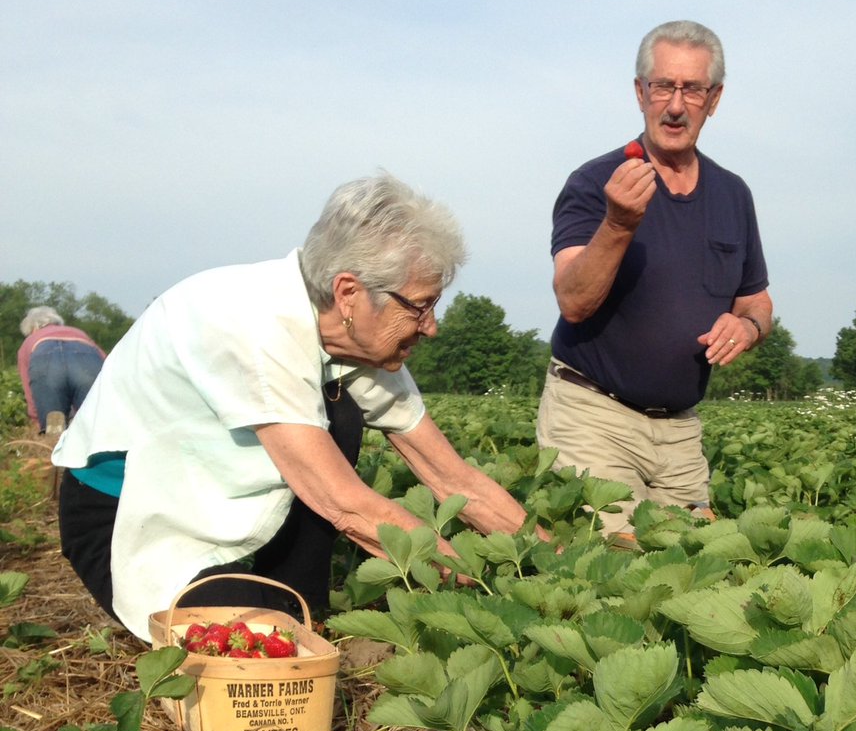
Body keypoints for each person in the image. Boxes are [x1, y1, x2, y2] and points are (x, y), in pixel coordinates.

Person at [53, 173, 535, 642]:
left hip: (214, 501)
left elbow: (454, 478)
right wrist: (473, 583)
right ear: (349, 293)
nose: (430, 326)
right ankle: (282, 612)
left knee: (338, 413)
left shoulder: (354, 340)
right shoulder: (252, 324)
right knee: (253, 638)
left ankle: (303, 605)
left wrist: (546, 559)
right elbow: (344, 503)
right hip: (133, 515)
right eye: (420, 306)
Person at [536, 20, 773, 533]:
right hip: (594, 416)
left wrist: (747, 326)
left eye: (693, 89)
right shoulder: (596, 182)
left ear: (714, 99)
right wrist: (618, 223)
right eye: (663, 86)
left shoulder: (732, 194)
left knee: (696, 560)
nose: (675, 105)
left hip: (680, 434)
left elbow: (756, 301)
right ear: (640, 93)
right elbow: (573, 301)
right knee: (611, 559)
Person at [17, 307, 106, 434]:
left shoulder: (30, 340)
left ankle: (54, 436)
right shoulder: (78, 333)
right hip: (86, 360)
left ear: (33, 328)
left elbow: (28, 385)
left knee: (53, 422)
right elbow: (106, 362)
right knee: (96, 421)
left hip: (46, 365)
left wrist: (36, 418)